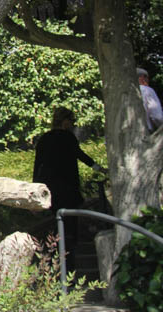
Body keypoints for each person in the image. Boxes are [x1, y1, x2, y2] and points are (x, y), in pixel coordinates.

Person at [33, 108, 102, 269]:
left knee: (57, 229)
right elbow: (81, 155)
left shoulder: (44, 139)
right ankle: (69, 267)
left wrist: (34, 191)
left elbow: (38, 167)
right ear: (65, 121)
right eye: (71, 121)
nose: (73, 125)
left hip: (52, 192)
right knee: (70, 230)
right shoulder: (68, 137)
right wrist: (99, 168)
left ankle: (58, 267)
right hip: (69, 190)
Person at [137, 67, 163, 133]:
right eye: (147, 78)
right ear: (142, 77)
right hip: (143, 132)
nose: (148, 80)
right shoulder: (147, 90)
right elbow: (157, 116)